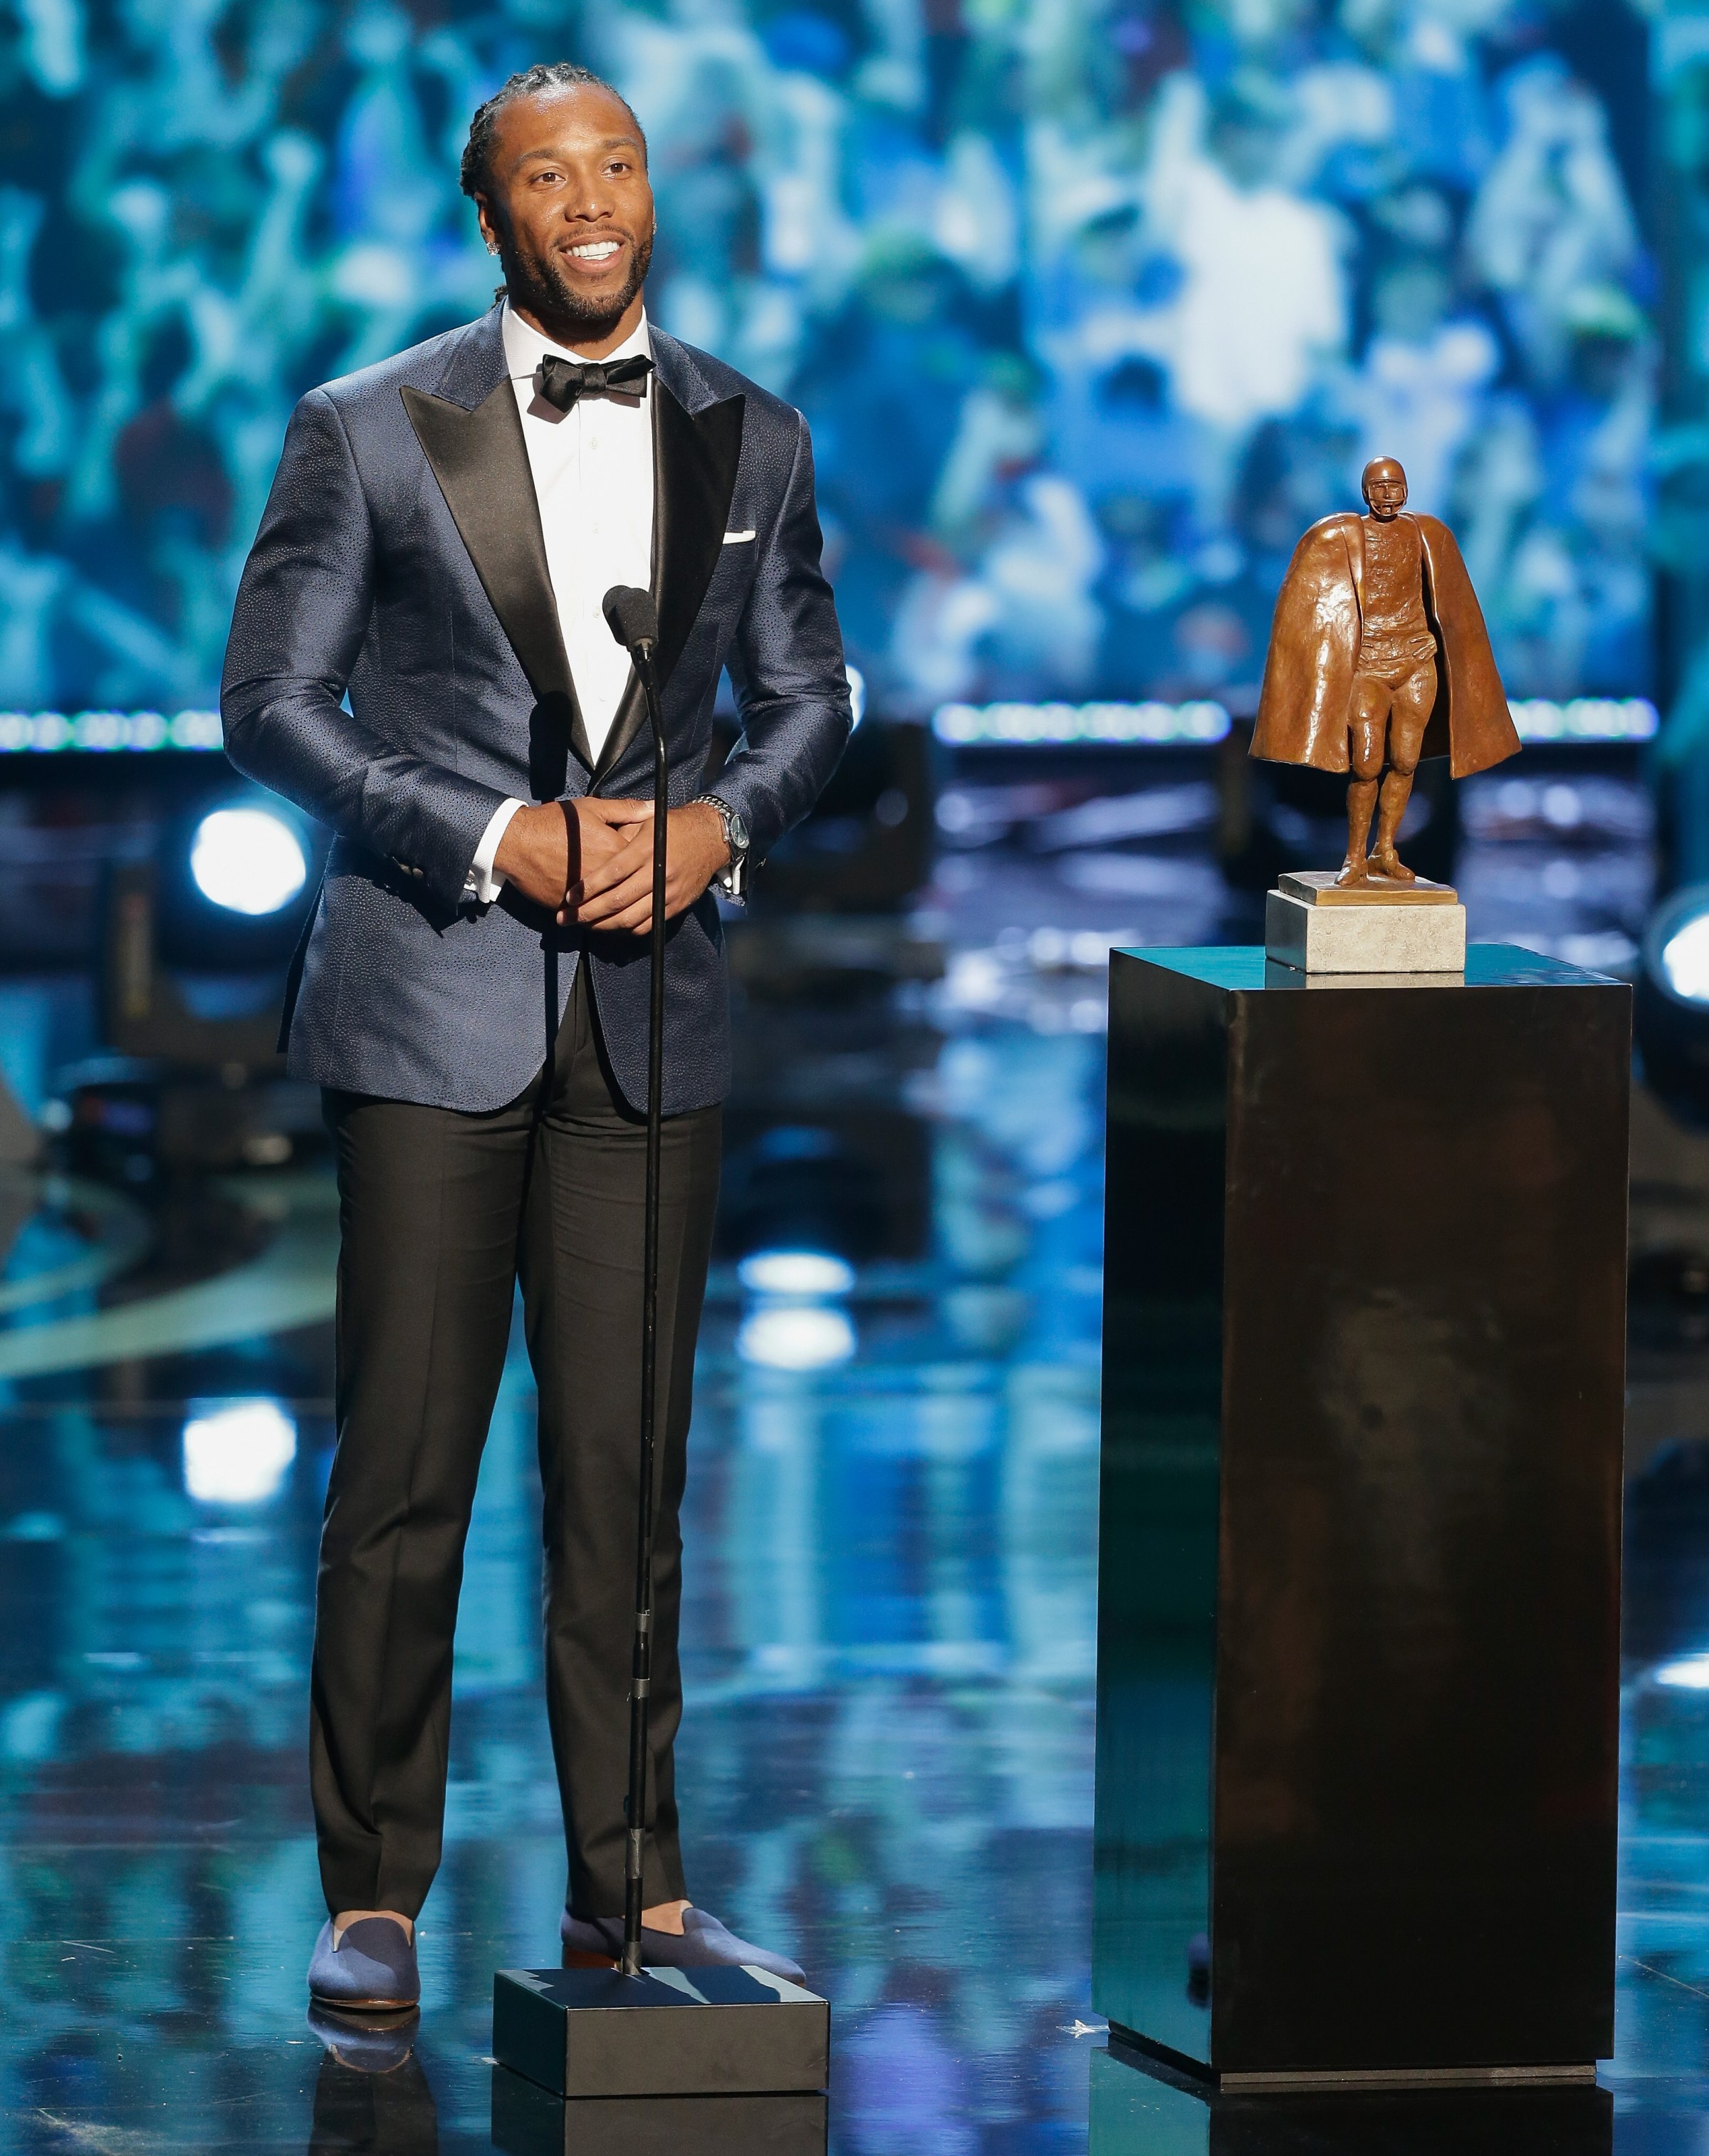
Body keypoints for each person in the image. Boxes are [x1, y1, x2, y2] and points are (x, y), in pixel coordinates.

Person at [221, 61, 852, 2011]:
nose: (591, 202)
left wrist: (722, 823)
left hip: (651, 1017)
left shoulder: (750, 431)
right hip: (433, 996)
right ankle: (375, 1891)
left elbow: (813, 694)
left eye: (619, 166)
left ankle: (632, 1890)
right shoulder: (368, 425)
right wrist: (491, 832)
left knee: (626, 1478)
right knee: (404, 1473)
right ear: (489, 211)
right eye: (549, 175)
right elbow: (271, 699)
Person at [1250, 454, 1518, 885]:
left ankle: (1385, 849)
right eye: (1379, 487)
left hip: (1416, 660)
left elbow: (1458, 609)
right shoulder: (1342, 536)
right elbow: (1308, 605)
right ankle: (1354, 856)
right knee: (1367, 764)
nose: (1388, 495)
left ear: (1406, 491)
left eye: (1395, 486)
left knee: (1407, 762)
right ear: (1365, 492)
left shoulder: (1429, 535)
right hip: (1370, 665)